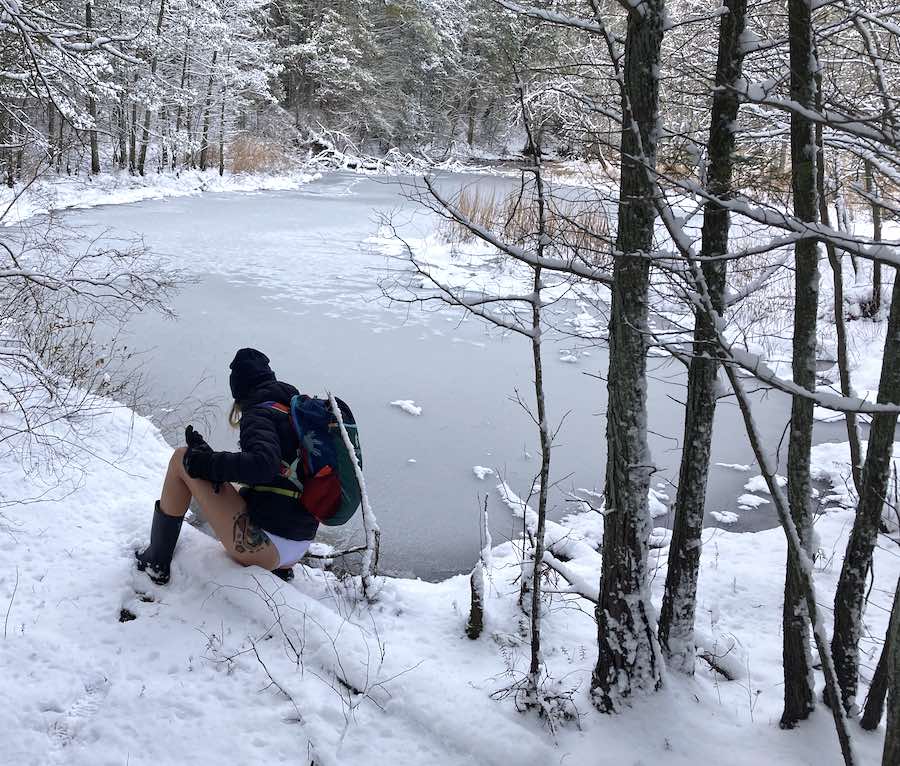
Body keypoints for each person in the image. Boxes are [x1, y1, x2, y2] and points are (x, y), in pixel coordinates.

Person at [135, 348, 317, 584]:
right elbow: (278, 472)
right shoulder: (293, 414)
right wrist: (209, 458)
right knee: (206, 466)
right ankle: (280, 570)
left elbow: (263, 466)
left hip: (267, 548)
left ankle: (156, 562)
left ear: (239, 392)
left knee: (181, 458)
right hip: (297, 547)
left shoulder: (259, 413)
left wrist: (204, 462)